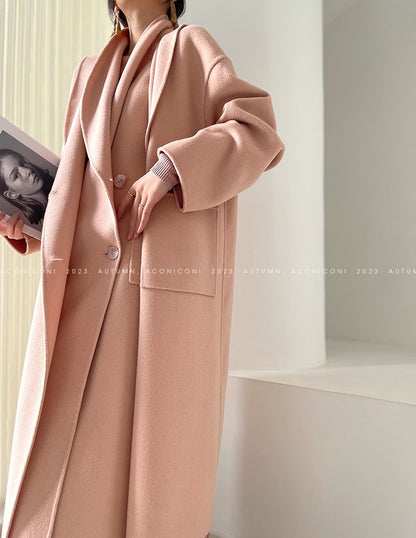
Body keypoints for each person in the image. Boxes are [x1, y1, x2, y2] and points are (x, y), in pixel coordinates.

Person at [0, 1, 285, 537]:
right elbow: (78, 191)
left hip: (155, 288)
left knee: (146, 468)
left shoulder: (191, 46)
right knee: (63, 454)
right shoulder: (90, 72)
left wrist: (171, 168)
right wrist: (33, 229)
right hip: (86, 287)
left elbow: (258, 130)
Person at [0, 149, 54, 225]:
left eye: (22, 163)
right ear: (12, 194)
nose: (28, 170)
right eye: (16, 175)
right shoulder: (43, 222)